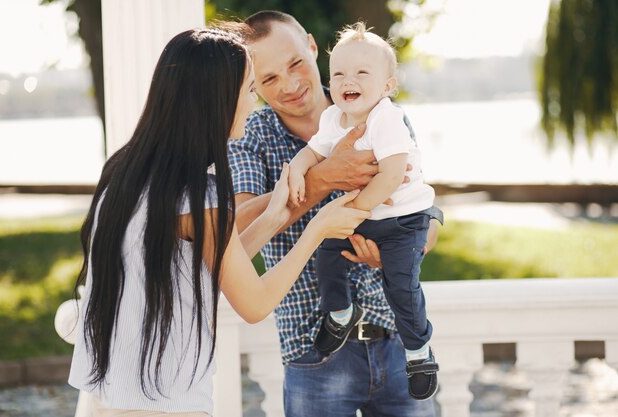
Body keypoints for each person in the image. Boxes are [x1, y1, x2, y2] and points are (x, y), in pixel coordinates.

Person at [67, 27, 370, 417]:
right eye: (249, 89)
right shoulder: (198, 195)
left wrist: (277, 213)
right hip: (164, 404)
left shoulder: (126, 173)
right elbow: (255, 303)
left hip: (105, 397)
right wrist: (318, 229)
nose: (254, 99)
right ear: (217, 100)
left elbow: (212, 261)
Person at [228, 11, 441, 417]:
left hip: (396, 340)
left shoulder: (383, 112)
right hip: (313, 350)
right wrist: (323, 178)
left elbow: (422, 209)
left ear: (311, 46)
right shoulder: (249, 135)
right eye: (269, 79)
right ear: (253, 83)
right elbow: (237, 229)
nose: (289, 85)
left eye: (295, 64)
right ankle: (337, 314)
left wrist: (410, 247)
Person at [287, 22, 440, 400]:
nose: (346, 80)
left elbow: (390, 178)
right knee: (327, 257)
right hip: (364, 216)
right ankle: (340, 312)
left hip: (403, 220)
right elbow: (315, 151)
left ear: (387, 86)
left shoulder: (387, 118)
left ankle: (418, 350)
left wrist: (353, 210)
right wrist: (297, 166)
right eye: (338, 73)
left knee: (401, 286)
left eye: (361, 73)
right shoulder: (332, 119)